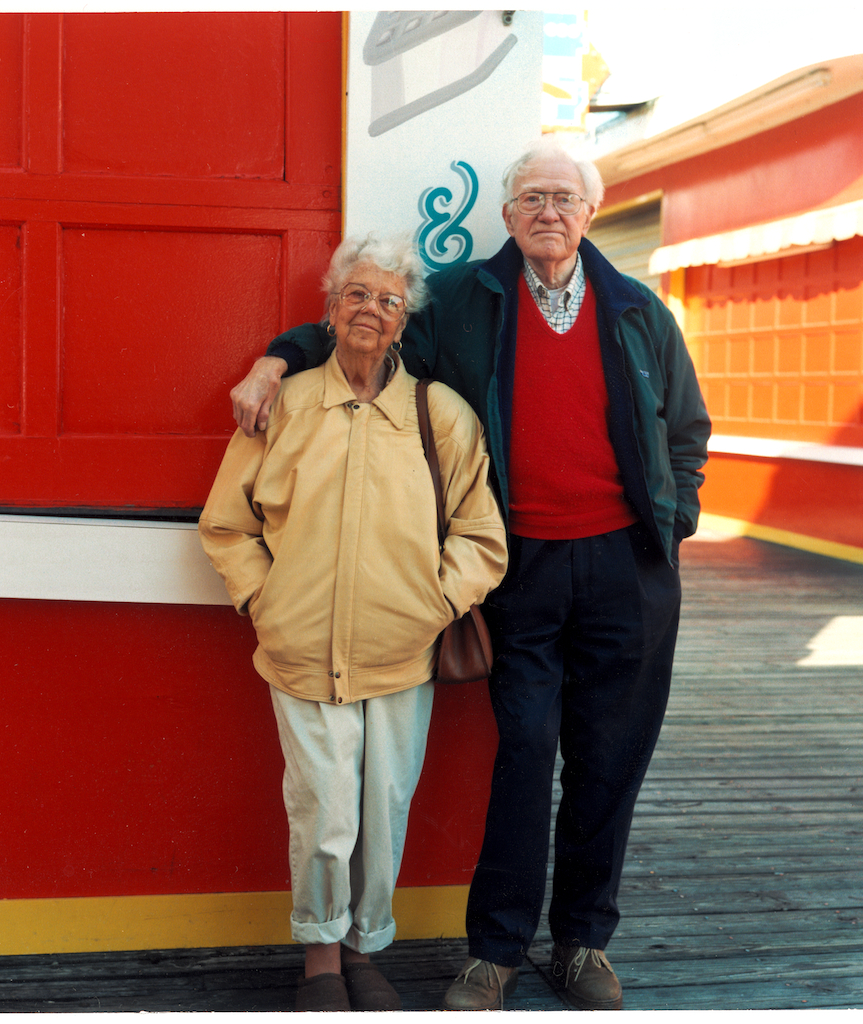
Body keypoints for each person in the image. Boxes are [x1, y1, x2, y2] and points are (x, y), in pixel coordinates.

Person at [229, 137, 711, 1011]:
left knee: (608, 762)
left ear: (590, 212)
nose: (547, 213)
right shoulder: (465, 299)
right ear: (506, 214)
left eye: (563, 199)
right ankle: (493, 951)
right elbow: (365, 322)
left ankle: (581, 943)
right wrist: (277, 354)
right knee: (523, 755)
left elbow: (686, 428)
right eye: (530, 198)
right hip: (520, 569)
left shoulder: (637, 309)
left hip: (626, 571)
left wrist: (668, 533)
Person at [199, 234, 508, 1012]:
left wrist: (433, 603)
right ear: (329, 311)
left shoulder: (439, 415)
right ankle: (320, 956)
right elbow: (226, 525)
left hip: (402, 651)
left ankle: (368, 946)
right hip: (302, 648)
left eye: (388, 300)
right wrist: (264, 600)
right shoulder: (285, 404)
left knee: (384, 808)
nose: (371, 310)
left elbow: (480, 536)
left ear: (405, 322)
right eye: (357, 295)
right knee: (324, 809)